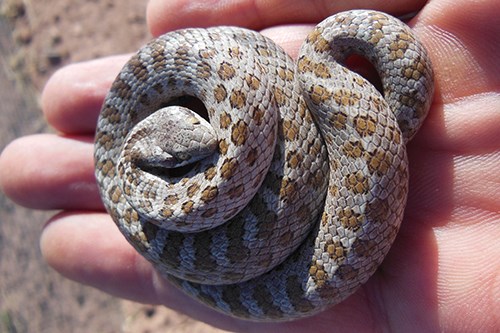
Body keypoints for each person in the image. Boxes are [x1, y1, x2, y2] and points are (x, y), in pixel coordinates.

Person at [1, 0, 498, 331]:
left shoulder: (230, 102)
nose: (213, 138)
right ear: (156, 160)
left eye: (207, 125)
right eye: (194, 154)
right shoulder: (168, 200)